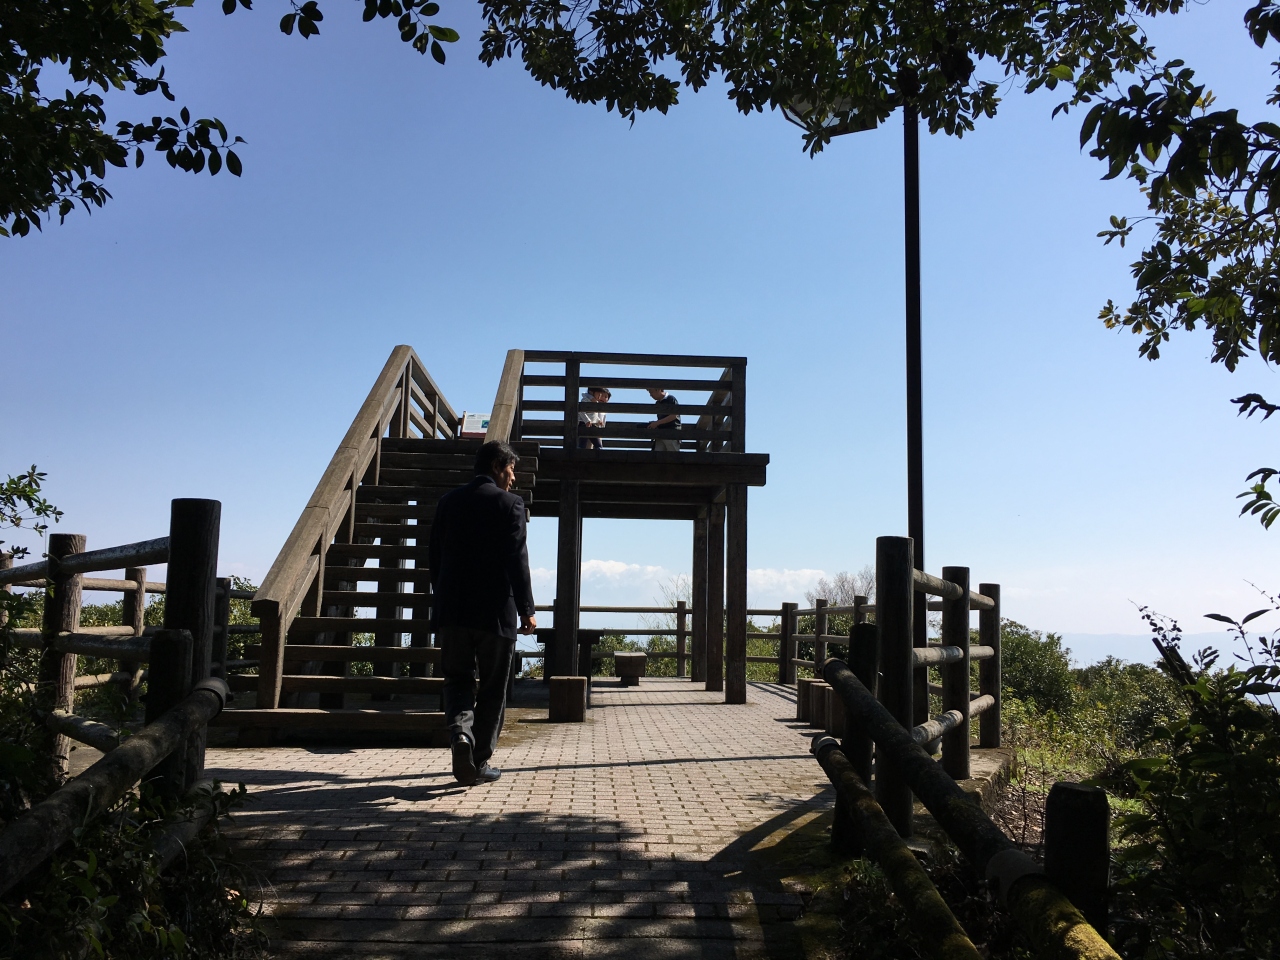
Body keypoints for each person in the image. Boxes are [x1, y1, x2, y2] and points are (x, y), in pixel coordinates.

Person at [428, 441, 536, 786]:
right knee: (492, 688)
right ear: (496, 466)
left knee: (457, 680)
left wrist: (442, 601)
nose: (513, 479)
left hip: (453, 612)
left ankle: (461, 734)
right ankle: (479, 760)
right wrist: (527, 610)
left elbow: (435, 559)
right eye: (511, 470)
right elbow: (517, 560)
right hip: (494, 614)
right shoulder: (510, 504)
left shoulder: (448, 502)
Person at [646, 386, 681, 452]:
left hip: (672, 433)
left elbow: (674, 415)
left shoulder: (670, 399)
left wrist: (657, 423)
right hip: (661, 434)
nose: (651, 395)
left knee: (673, 455)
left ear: (658, 390)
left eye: (651, 392)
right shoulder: (658, 403)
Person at [577, 385, 610, 449]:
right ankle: (581, 449)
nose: (600, 396)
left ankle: (599, 447)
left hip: (593, 424)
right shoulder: (585, 400)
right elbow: (581, 412)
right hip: (584, 424)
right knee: (583, 439)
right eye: (599, 394)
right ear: (592, 392)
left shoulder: (595, 402)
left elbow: (594, 415)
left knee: (596, 440)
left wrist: (598, 420)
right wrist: (587, 420)